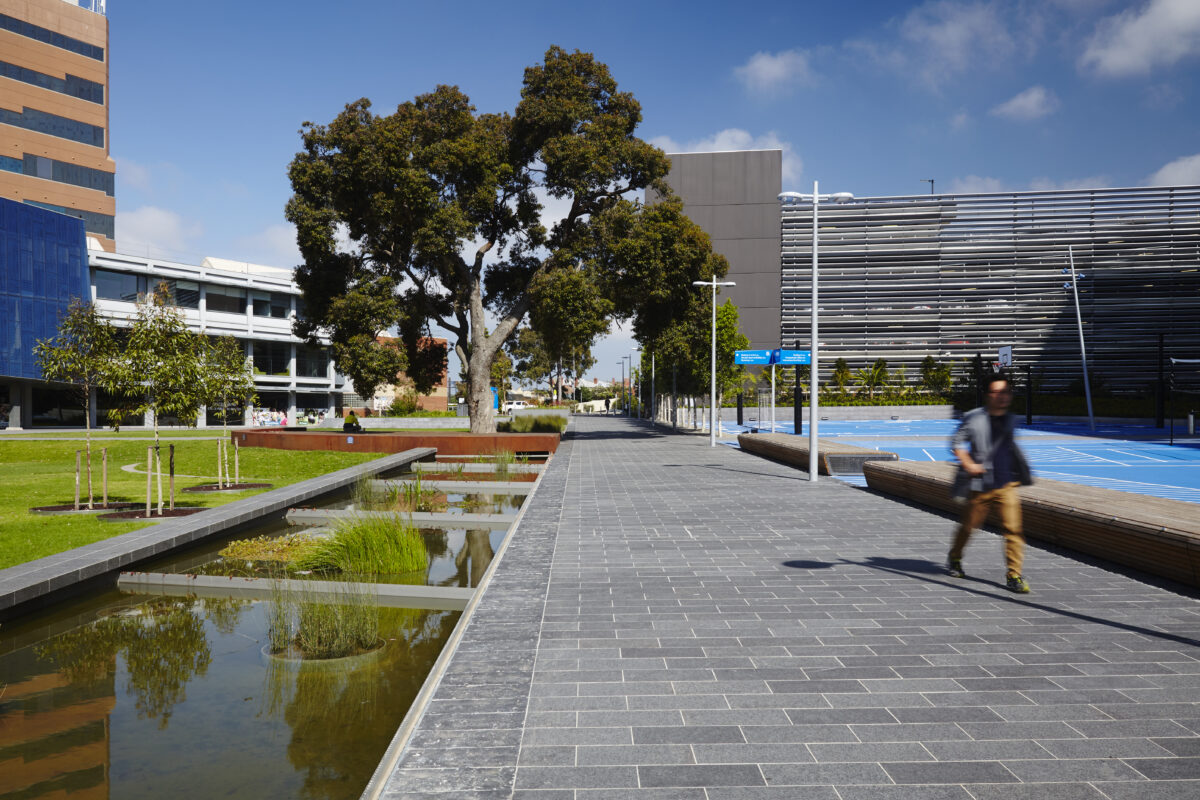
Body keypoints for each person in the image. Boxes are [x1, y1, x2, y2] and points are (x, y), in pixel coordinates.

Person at [948, 373, 1034, 593]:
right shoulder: (973, 417)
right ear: (988, 395)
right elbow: (956, 443)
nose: (1001, 396)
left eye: (1005, 392)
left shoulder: (1010, 419)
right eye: (996, 392)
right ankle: (955, 557)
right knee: (969, 527)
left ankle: (1014, 575)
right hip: (980, 485)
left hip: (1007, 484)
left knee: (1014, 529)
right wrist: (969, 464)